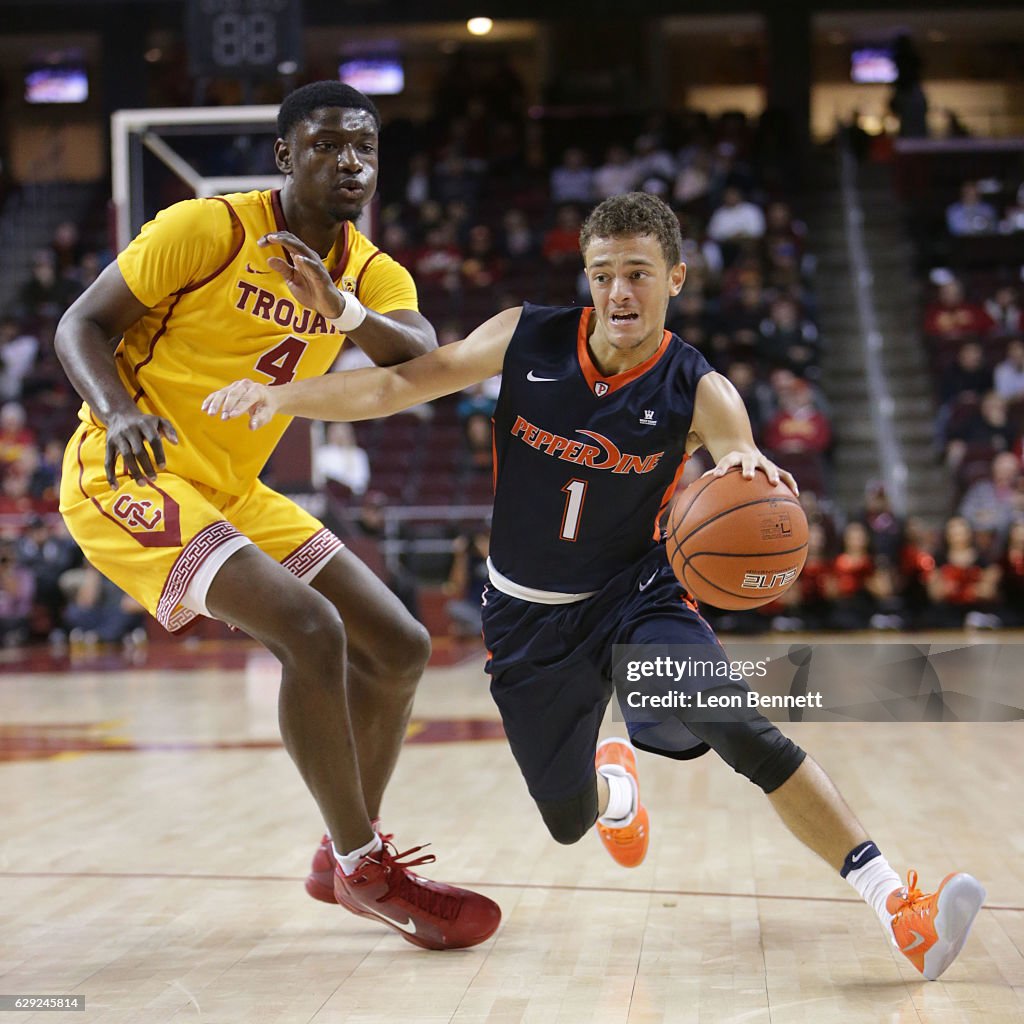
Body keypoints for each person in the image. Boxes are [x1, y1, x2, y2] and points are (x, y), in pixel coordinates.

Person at [205, 192, 985, 980]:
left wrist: (748, 464)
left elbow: (738, 449)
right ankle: (615, 780)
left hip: (635, 600)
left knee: (739, 724)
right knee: (568, 821)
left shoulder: (697, 387)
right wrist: (280, 397)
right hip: (525, 622)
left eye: (640, 274)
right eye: (605, 273)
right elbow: (396, 386)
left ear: (675, 278)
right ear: (586, 275)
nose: (620, 291)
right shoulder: (525, 336)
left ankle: (896, 905)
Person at [54, 80, 500, 951]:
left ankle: (341, 858)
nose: (351, 162)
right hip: (127, 470)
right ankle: (365, 862)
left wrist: (347, 310)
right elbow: (83, 323)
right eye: (330, 145)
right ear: (286, 155)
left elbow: (423, 359)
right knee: (308, 626)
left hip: (234, 487)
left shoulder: (371, 272)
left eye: (365, 148)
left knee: (400, 644)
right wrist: (118, 411)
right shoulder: (208, 228)